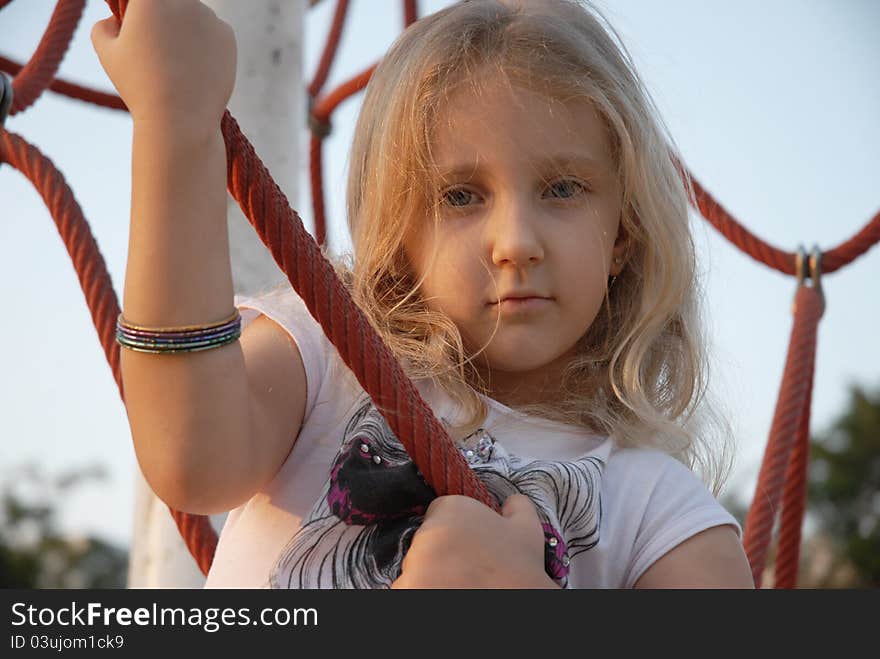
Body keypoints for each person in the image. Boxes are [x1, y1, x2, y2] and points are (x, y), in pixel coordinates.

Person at [92, 0, 754, 589]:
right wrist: (175, 126)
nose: (516, 241)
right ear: (399, 235)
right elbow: (191, 455)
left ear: (623, 233)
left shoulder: (662, 512)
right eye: (461, 196)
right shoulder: (329, 355)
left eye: (562, 189)